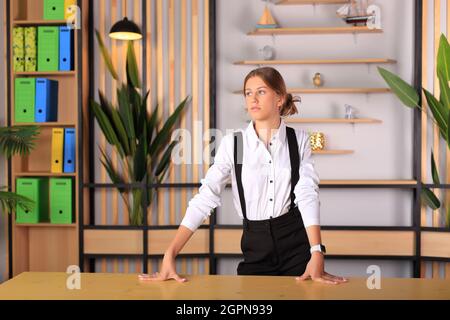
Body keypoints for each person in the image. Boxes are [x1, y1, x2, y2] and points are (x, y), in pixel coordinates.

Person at [140, 67, 348, 285]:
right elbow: (206, 197)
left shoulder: (299, 140)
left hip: (296, 247)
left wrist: (317, 251)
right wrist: (170, 253)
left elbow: (307, 193)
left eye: (261, 91)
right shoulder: (235, 144)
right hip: (255, 248)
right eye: (248, 93)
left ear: (280, 98)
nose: (253, 99)